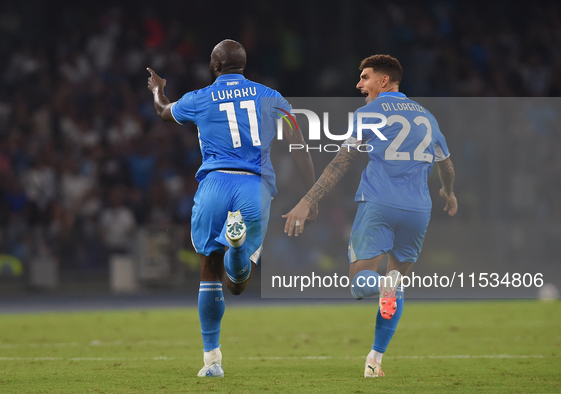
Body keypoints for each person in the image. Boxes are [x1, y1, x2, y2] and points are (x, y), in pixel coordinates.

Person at [147, 39, 317, 377]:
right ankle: (237, 248)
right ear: (243, 65)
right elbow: (299, 144)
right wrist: (311, 195)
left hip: (213, 186)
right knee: (237, 284)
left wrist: (157, 89)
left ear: (214, 66)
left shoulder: (199, 98)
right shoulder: (272, 97)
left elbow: (164, 112)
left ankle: (212, 362)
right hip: (252, 187)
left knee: (209, 272)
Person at [283, 54, 457, 378]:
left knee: (361, 284)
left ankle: (383, 287)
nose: (359, 85)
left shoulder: (369, 112)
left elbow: (341, 161)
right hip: (419, 210)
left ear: (384, 81)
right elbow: (446, 165)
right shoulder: (427, 117)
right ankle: (375, 359)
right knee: (396, 285)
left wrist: (308, 200)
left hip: (379, 203)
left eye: (365, 77)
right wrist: (448, 191)